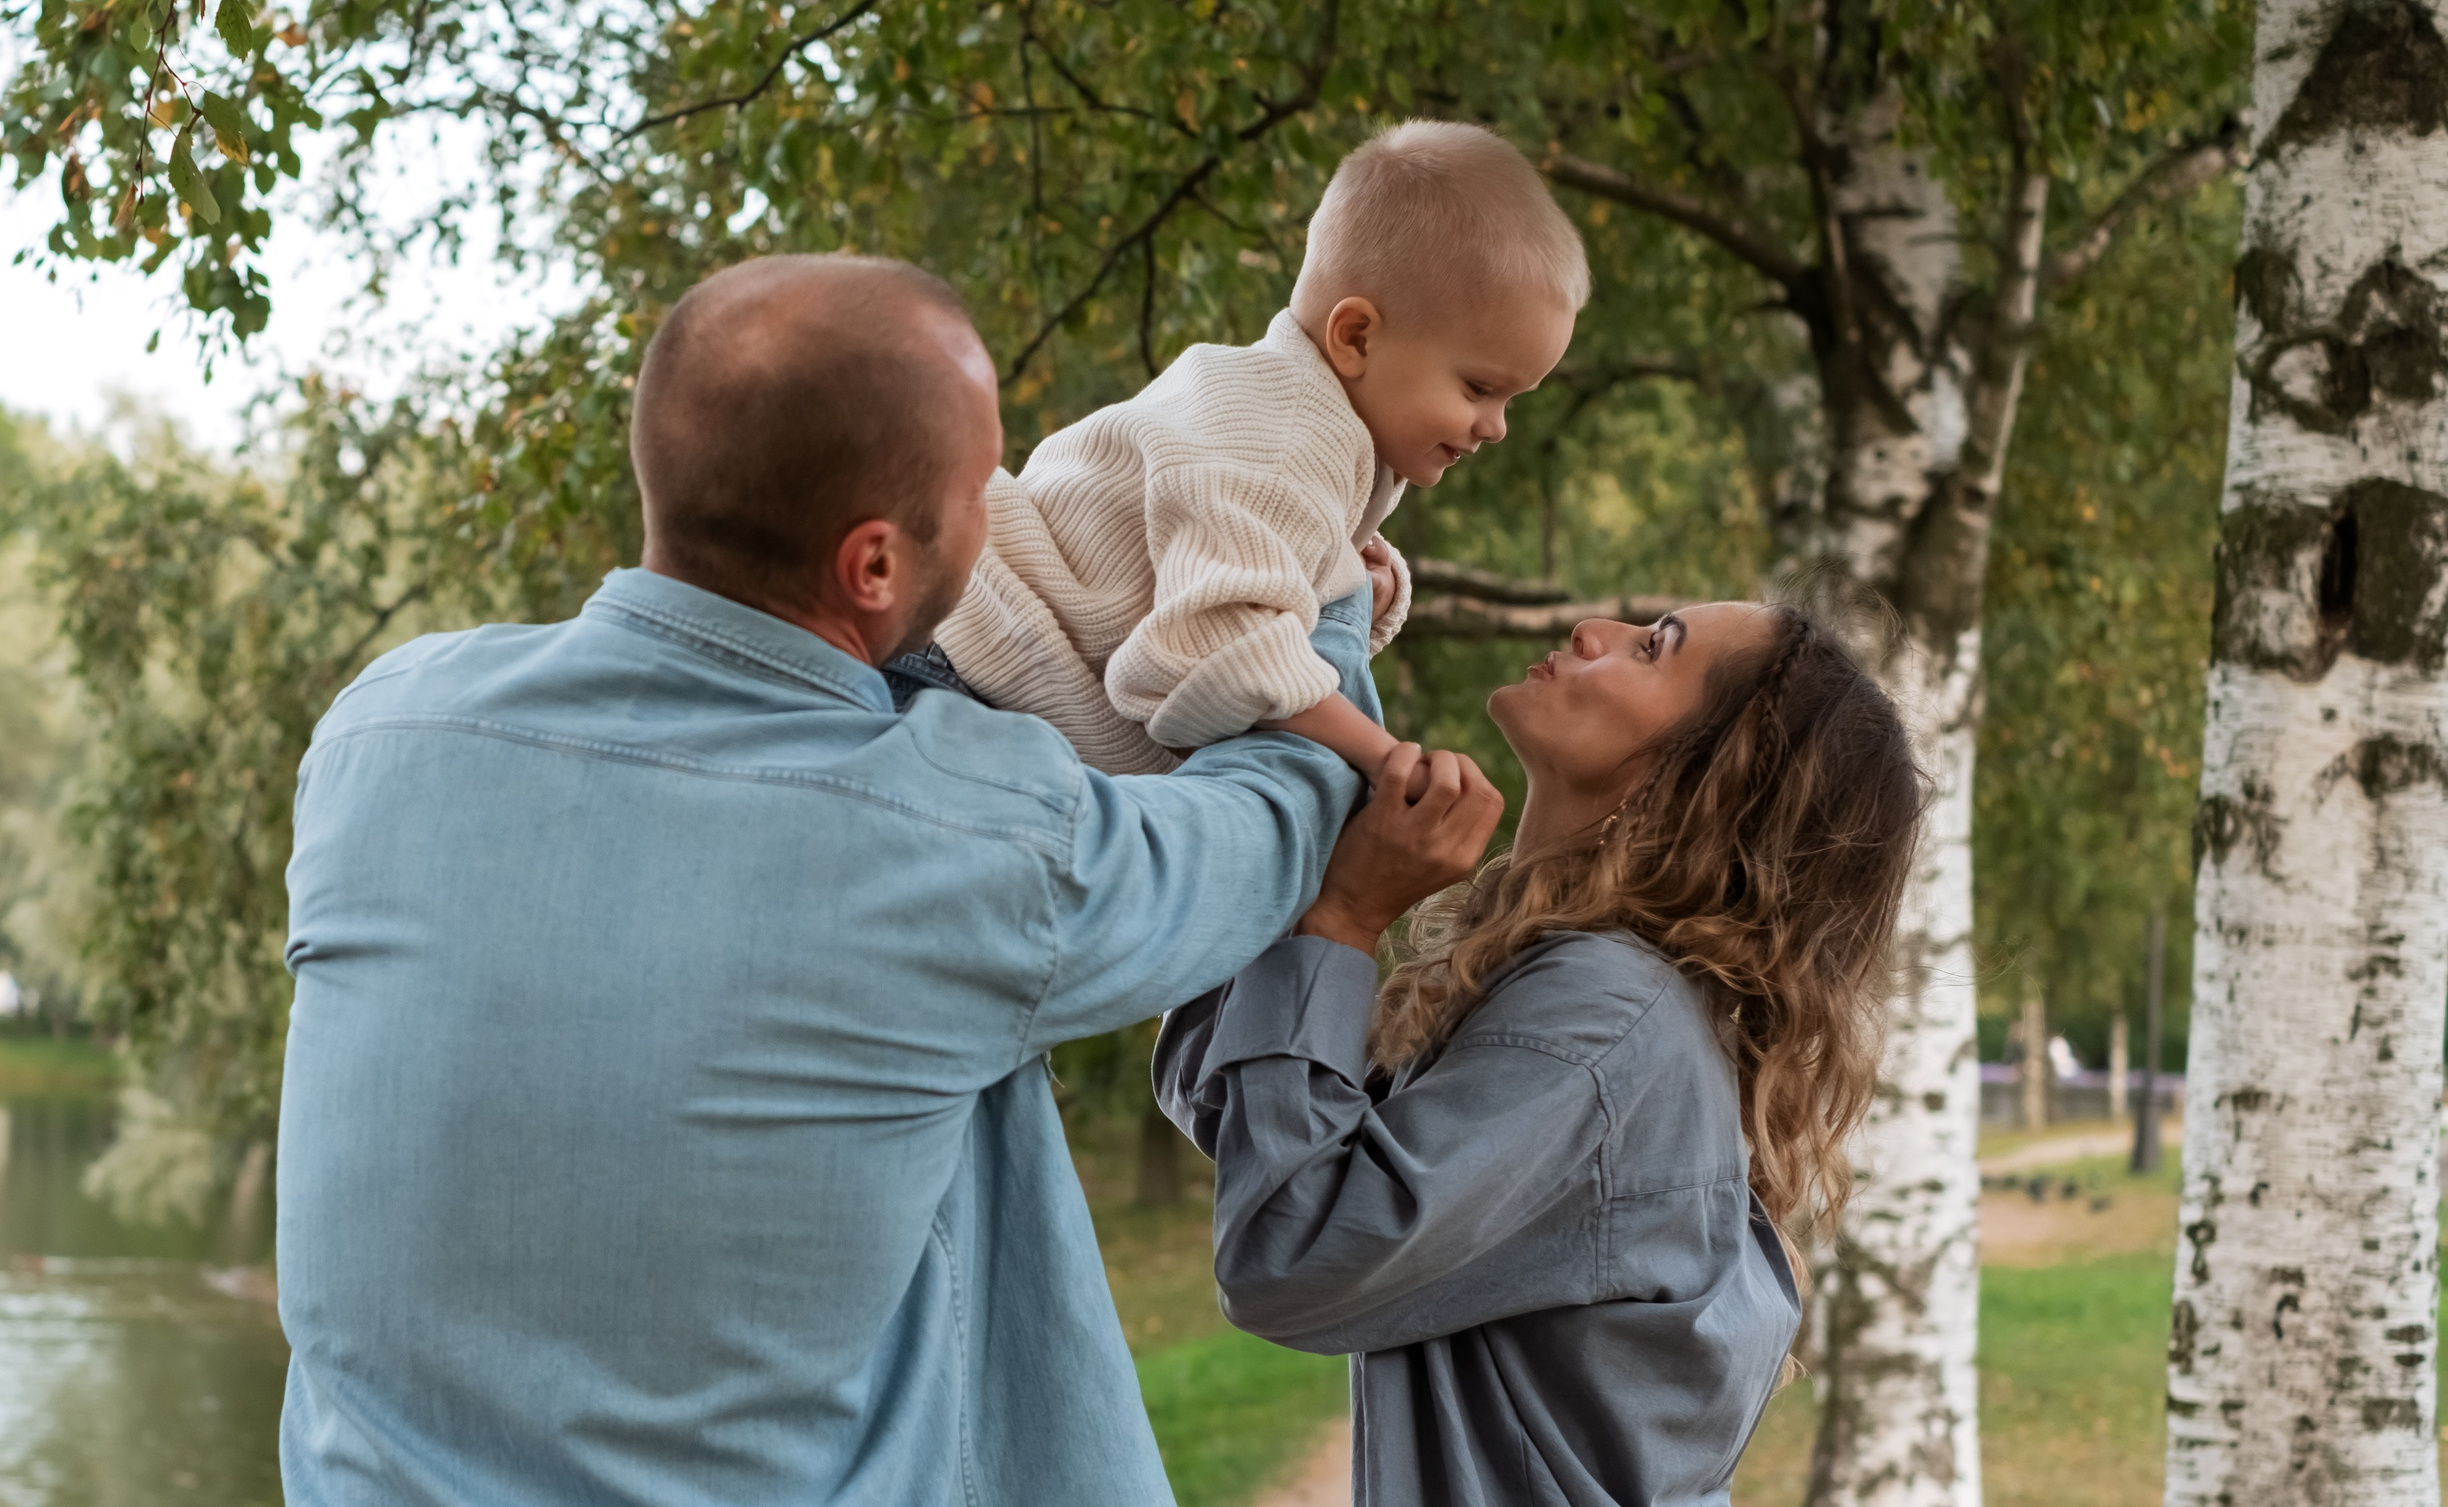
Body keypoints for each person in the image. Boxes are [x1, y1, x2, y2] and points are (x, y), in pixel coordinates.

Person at [272, 254, 1506, 1507]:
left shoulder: (380, 732)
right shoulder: (967, 832)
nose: (1004, 516)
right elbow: (1268, 819)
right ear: (873, 566)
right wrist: (1323, 595)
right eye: (986, 488)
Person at [1157, 601, 1926, 1506]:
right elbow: (1226, 1096)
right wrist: (1317, 650)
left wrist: (1344, 923)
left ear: (1704, 778)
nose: (1594, 627)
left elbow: (1287, 1251)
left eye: (1652, 649)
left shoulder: (1605, 1018)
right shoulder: (1588, 990)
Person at [934, 120, 1588, 780]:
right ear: (1356, 337)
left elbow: (1259, 594)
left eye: (1511, 399)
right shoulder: (1285, 438)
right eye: (1479, 387)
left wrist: (1370, 588)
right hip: (962, 654)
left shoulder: (1320, 419)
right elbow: (1216, 650)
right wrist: (1383, 758)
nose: (1496, 426)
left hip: (989, 660)